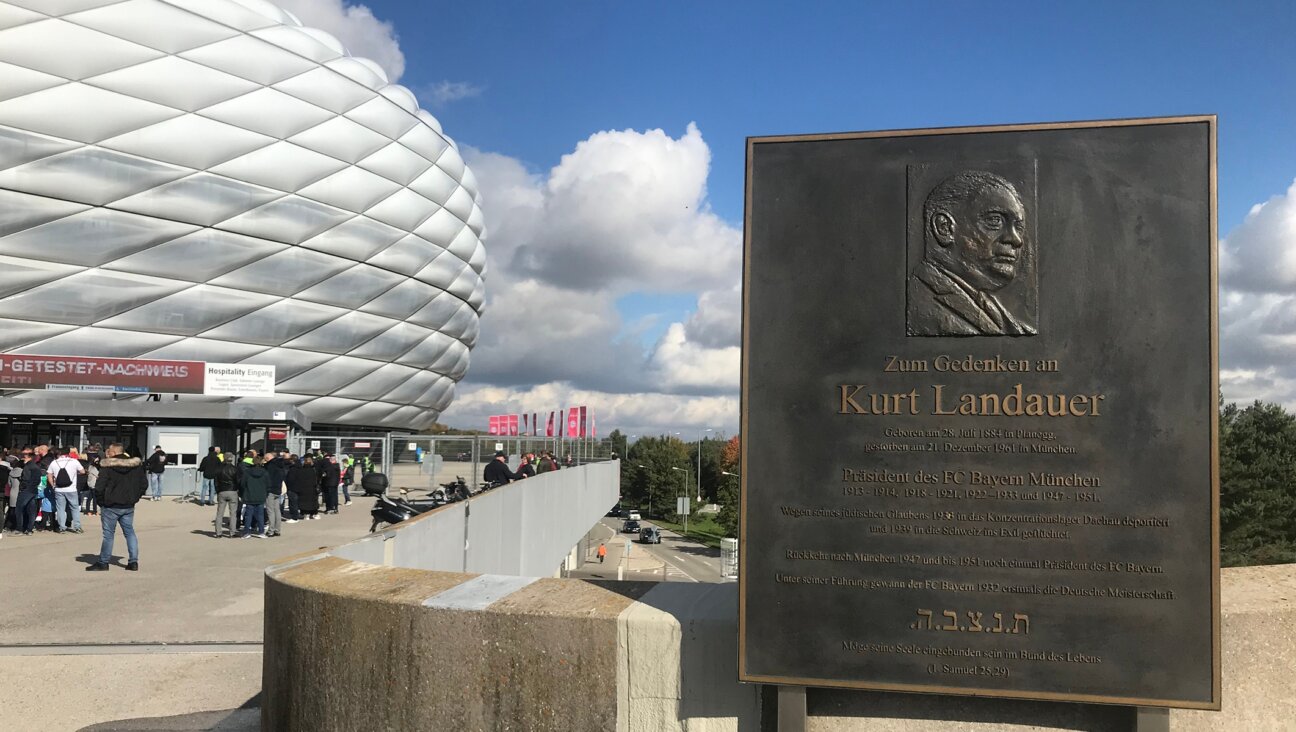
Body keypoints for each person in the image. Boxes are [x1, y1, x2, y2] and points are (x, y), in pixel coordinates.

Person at [907, 170, 1036, 336]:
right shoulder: (919, 303)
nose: (1016, 240)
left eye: (1018, 227)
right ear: (944, 228)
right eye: (995, 220)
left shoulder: (1009, 320)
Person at [87, 443, 147, 571]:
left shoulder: (107, 467)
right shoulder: (135, 466)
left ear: (113, 453)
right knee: (130, 532)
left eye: (109, 451)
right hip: (128, 505)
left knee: (108, 535)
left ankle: (104, 562)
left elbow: (99, 487)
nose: (107, 453)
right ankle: (133, 562)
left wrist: (101, 502)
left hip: (110, 505)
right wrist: (135, 497)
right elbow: (144, 485)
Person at [47, 447, 85, 533]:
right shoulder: (74, 461)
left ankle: (62, 527)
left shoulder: (54, 462)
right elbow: (82, 471)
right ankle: (77, 527)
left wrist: (53, 485)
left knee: (60, 508)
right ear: (69, 453)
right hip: (71, 488)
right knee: (74, 508)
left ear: (60, 453)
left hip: (59, 489)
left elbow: (49, 474)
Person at [239, 457, 270, 538]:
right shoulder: (265, 472)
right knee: (260, 515)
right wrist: (266, 494)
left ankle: (246, 532)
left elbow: (242, 484)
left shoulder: (247, 472)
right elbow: (268, 485)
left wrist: (242, 494)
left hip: (249, 495)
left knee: (248, 515)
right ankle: (261, 532)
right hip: (261, 496)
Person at [13, 449, 41, 535]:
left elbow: (25, 479)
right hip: (34, 490)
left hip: (26, 490)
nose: (23, 457)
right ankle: (29, 529)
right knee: (31, 510)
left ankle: (19, 529)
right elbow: (38, 480)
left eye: (24, 456)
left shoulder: (27, 467)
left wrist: (22, 487)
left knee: (19, 509)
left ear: (28, 457)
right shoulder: (36, 466)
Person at [213, 455, 241, 538]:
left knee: (219, 513)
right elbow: (238, 481)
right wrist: (237, 490)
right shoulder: (235, 469)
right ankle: (232, 532)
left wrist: (218, 491)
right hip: (232, 491)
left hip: (222, 491)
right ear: (231, 459)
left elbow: (216, 481)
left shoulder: (218, 469)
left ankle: (218, 533)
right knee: (233, 513)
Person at [287, 456, 320, 520]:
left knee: (304, 501)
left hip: (303, 488)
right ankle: (314, 513)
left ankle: (305, 514)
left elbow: (298, 479)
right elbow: (318, 478)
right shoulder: (314, 470)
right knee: (313, 501)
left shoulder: (301, 470)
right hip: (313, 488)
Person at [263, 451, 286, 536]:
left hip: (270, 490)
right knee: (277, 510)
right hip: (278, 489)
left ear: (268, 459)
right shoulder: (280, 465)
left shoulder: (269, 466)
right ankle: (277, 529)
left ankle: (271, 530)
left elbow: (266, 478)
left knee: (270, 510)